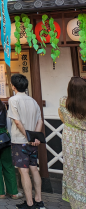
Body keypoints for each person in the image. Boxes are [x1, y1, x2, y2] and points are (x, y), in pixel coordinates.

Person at [8, 74, 45, 209]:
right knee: (34, 169)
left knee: (24, 171)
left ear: (13, 86)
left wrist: (28, 136)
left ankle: (29, 203)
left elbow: (17, 122)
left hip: (20, 141)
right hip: (33, 142)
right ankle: (39, 200)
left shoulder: (13, 100)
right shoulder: (33, 101)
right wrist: (35, 137)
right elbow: (40, 120)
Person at [58, 77, 86, 208]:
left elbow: (62, 117)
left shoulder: (63, 101)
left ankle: (77, 203)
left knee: (73, 170)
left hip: (70, 140)